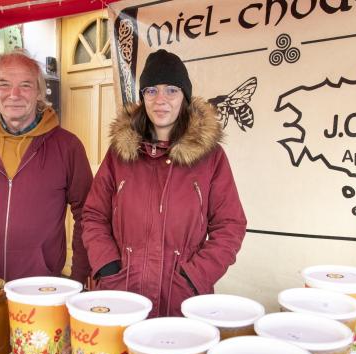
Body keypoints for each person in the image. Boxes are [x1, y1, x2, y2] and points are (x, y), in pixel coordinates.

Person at [82, 49, 247, 317]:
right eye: (151, 90)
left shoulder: (211, 158)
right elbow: (93, 215)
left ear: (184, 96)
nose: (161, 100)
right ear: (143, 97)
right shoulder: (119, 154)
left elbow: (230, 226)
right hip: (122, 295)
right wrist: (107, 266)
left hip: (182, 301)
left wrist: (194, 277)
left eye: (171, 90)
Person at [0, 49, 93, 284]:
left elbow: (87, 214)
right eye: (4, 84)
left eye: (26, 85)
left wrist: (78, 276)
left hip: (40, 286)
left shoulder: (67, 146)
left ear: (39, 91)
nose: (14, 94)